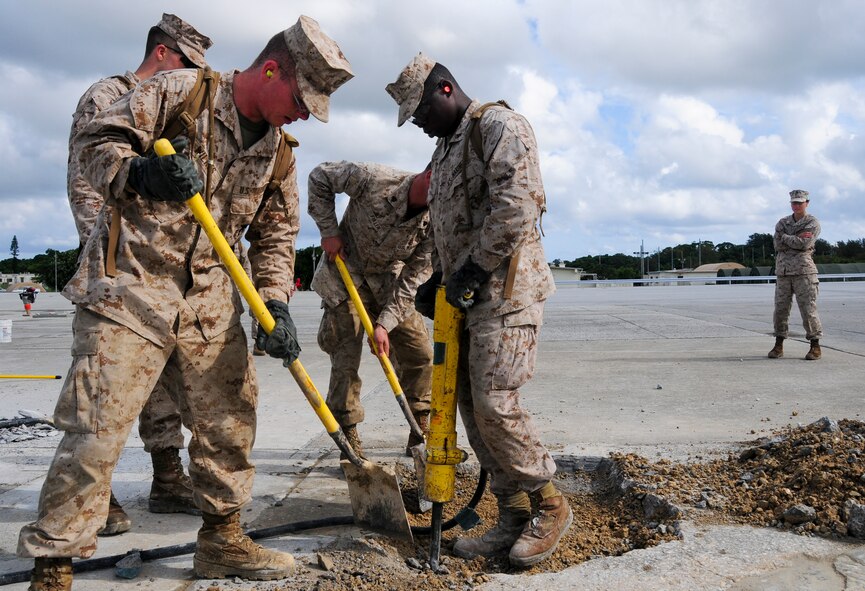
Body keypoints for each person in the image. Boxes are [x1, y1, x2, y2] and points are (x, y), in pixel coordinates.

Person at [18, 15, 352, 590]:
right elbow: (95, 143)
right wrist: (140, 171)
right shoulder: (180, 92)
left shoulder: (280, 153)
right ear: (271, 70)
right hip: (130, 286)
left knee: (229, 422)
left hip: (212, 297)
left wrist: (275, 305)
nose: (303, 115)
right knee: (94, 427)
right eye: (301, 100)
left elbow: (274, 236)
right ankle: (55, 565)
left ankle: (222, 539)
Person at [386, 54, 572, 569]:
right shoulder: (446, 149)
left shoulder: (499, 125)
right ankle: (512, 513)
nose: (418, 125)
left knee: (496, 400)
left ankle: (550, 503)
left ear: (444, 89)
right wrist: (441, 280)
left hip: (509, 294)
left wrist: (472, 270)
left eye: (420, 112)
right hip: (470, 299)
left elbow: (517, 205)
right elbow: (456, 226)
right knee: (470, 406)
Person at [66, 12, 212, 538]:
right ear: (164, 54)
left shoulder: (181, 107)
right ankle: (93, 497)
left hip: (164, 266)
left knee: (161, 380)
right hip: (115, 261)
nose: (195, 75)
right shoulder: (108, 94)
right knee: (105, 385)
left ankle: (167, 476)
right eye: (189, 63)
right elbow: (88, 176)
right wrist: (99, 249)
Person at [308, 161, 434, 458]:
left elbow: (413, 277)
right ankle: (348, 433)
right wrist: (328, 231)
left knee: (421, 353)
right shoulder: (374, 178)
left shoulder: (438, 219)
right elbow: (319, 177)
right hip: (345, 274)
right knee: (346, 356)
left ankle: (419, 426)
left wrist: (385, 324)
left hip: (388, 284)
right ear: (429, 175)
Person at [768, 189, 823, 360]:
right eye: (794, 202)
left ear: (807, 203)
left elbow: (805, 244)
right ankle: (778, 345)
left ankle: (815, 346)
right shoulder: (782, 222)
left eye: (800, 202)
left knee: (808, 310)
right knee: (780, 310)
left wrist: (787, 238)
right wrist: (793, 238)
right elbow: (777, 244)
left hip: (804, 272)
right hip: (783, 272)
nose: (796, 205)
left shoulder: (812, 222)